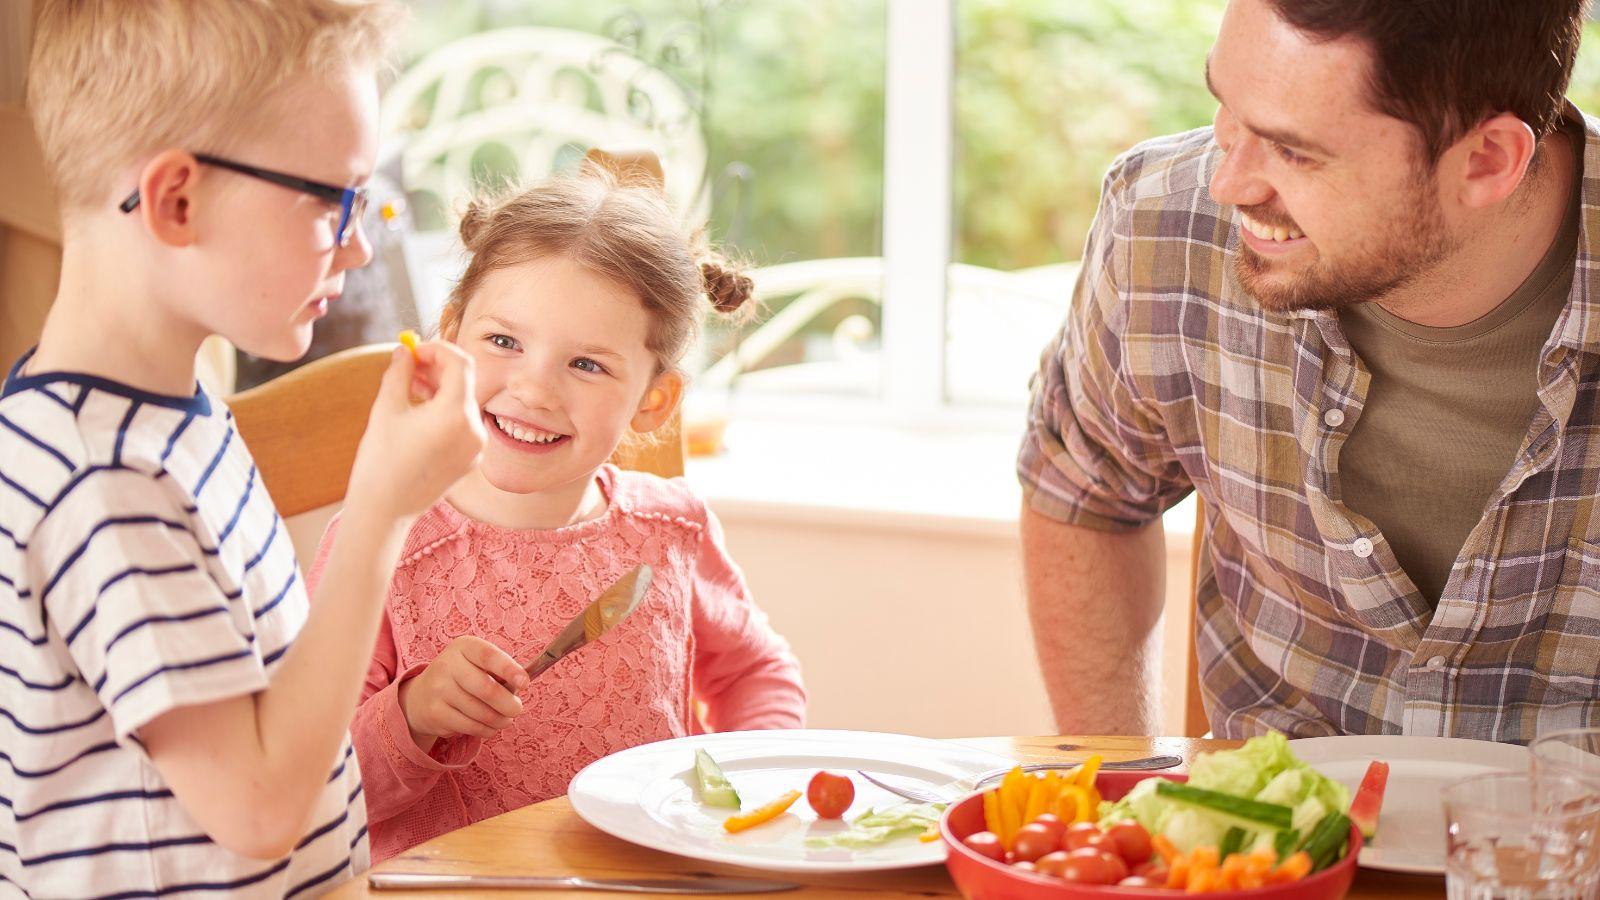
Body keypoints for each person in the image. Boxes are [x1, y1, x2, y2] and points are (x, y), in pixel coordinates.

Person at [0, 1, 486, 895]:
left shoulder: (170, 420)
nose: (358, 244)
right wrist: (381, 508)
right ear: (178, 200)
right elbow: (260, 809)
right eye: (330, 200)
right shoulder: (103, 480)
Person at [1020, 0, 1598, 742]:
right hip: (1267, 846)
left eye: (1295, 152)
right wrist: (1119, 789)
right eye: (1227, 110)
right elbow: (1084, 490)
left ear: (1486, 160)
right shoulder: (1163, 223)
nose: (1230, 184)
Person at [309, 165, 806, 863]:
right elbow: (316, 793)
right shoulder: (380, 544)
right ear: (450, 335)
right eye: (505, 342)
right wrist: (414, 717)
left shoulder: (673, 532)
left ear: (653, 402)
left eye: (587, 365)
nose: (534, 389)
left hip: (649, 884)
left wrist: (742, 787)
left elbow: (756, 675)